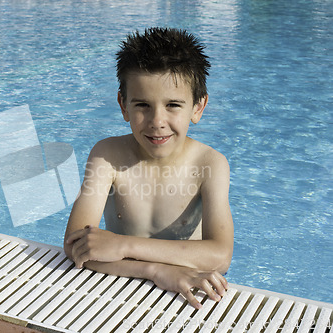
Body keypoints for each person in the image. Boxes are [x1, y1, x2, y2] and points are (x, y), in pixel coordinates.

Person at [64, 27, 234, 310]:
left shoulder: (209, 164)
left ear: (198, 107)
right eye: (142, 104)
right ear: (123, 105)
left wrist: (124, 246)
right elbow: (76, 245)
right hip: (116, 287)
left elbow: (220, 256)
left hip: (190, 293)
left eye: (173, 105)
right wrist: (156, 271)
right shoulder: (107, 155)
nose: (157, 121)